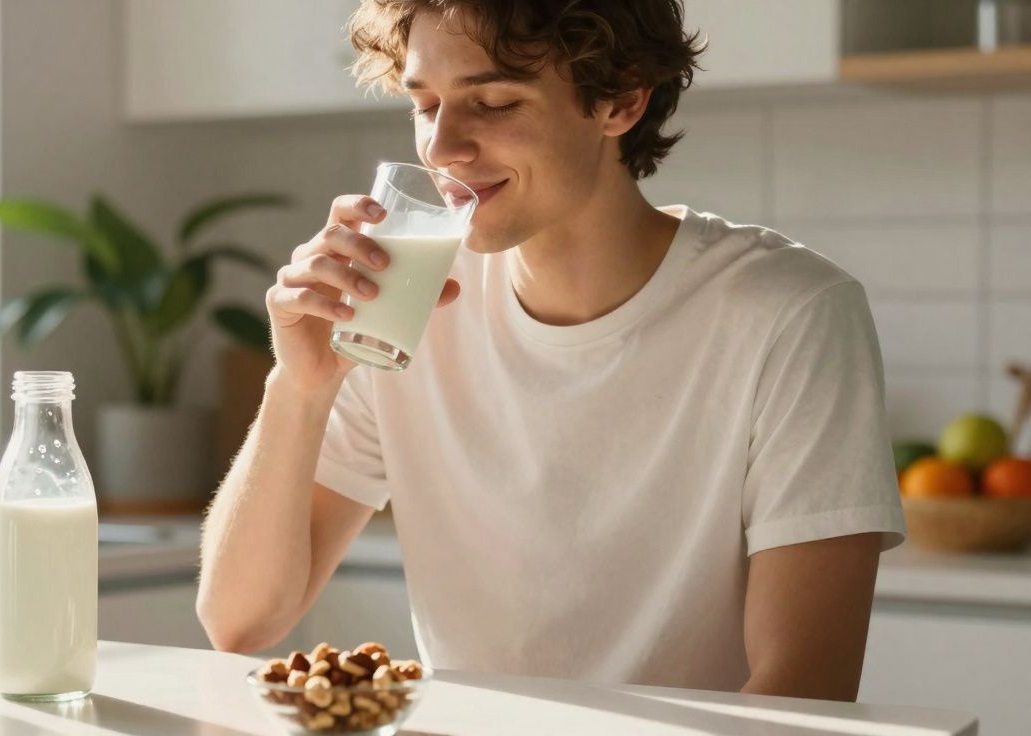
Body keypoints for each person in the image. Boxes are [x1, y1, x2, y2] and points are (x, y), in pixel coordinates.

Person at [198, 0, 906, 701]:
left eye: (495, 102)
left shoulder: (791, 313)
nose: (442, 149)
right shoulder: (407, 305)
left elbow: (805, 688)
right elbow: (240, 620)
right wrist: (299, 387)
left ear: (622, 101)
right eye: (426, 104)